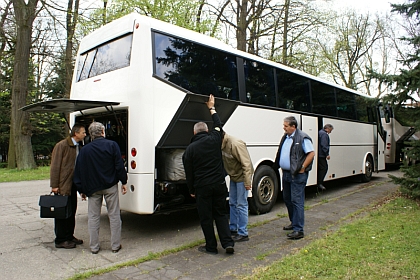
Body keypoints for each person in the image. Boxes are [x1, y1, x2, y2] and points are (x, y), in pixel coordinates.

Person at [182, 94, 235, 255]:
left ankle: (211, 247)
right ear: (206, 130)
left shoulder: (189, 151)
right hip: (219, 184)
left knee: (206, 218)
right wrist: (211, 107)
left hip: (202, 188)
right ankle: (227, 243)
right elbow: (218, 124)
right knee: (221, 214)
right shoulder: (214, 138)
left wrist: (191, 190)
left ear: (194, 132)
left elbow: (189, 173)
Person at [73, 122, 127, 254]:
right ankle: (115, 245)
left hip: (93, 189)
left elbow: (79, 172)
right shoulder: (112, 145)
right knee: (114, 216)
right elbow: (119, 166)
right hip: (110, 186)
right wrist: (124, 181)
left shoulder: (84, 150)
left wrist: (81, 190)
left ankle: (94, 247)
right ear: (103, 131)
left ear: (90, 134)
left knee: (93, 217)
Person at [273, 116, 315, 240]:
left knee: (297, 201)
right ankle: (294, 222)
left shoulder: (302, 137)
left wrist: (302, 167)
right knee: (287, 199)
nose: (284, 128)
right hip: (286, 173)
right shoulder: (286, 137)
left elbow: (311, 153)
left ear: (293, 126)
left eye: (286, 126)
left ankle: (299, 229)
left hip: (297, 175)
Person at [50, 124, 86, 249]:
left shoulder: (79, 146)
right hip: (62, 185)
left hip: (73, 184)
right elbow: (55, 166)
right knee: (61, 213)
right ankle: (60, 239)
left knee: (71, 212)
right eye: (83, 132)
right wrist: (54, 185)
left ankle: (69, 236)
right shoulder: (62, 145)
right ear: (76, 133)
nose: (85, 134)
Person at [221, 131, 254, 242]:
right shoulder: (222, 144)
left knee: (241, 204)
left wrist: (247, 182)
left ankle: (243, 233)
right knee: (232, 202)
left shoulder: (235, 144)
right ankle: (233, 228)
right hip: (234, 177)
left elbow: (246, 164)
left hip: (241, 178)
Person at [317, 124, 334, 191]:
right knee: (324, 168)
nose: (330, 132)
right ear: (327, 128)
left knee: (321, 168)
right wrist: (326, 154)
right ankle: (320, 183)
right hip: (321, 154)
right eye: (330, 130)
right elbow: (324, 145)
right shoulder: (324, 134)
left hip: (319, 154)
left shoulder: (319, 132)